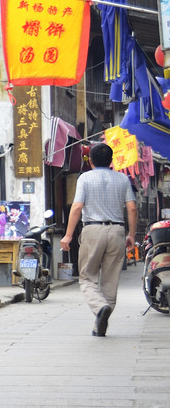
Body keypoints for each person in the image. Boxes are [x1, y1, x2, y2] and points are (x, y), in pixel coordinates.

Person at [59, 143, 138, 337]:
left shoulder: (85, 178)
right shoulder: (122, 179)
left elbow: (77, 207)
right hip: (118, 230)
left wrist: (68, 235)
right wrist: (132, 235)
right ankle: (100, 321)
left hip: (93, 230)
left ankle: (100, 306)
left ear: (90, 161)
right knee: (110, 281)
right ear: (111, 161)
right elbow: (132, 209)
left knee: (87, 277)